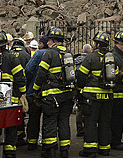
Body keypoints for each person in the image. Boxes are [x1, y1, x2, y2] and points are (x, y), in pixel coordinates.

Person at [77, 31, 122, 157]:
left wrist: (80, 89)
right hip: (107, 97)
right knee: (105, 123)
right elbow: (116, 76)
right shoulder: (112, 58)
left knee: (90, 122)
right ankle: (104, 148)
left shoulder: (90, 58)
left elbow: (81, 76)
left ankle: (90, 150)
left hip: (92, 98)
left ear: (96, 44)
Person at [33, 28, 76, 158]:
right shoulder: (68, 53)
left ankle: (50, 150)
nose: (47, 42)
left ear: (52, 40)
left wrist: (36, 89)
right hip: (67, 95)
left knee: (50, 121)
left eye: (49, 40)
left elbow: (41, 74)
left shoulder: (49, 53)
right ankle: (64, 150)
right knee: (64, 121)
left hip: (51, 97)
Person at [0, 31, 26, 158]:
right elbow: (20, 77)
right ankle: (9, 150)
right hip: (11, 97)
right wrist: (23, 92)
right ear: (7, 44)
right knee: (11, 124)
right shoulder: (11, 58)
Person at [25, 36, 48, 151]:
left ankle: (31, 142)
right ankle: (47, 143)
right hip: (52, 93)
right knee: (49, 119)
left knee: (34, 117)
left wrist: (29, 84)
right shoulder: (57, 54)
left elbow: (28, 69)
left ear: (43, 44)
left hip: (35, 92)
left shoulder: (39, 54)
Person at [10, 35, 31, 145]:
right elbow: (28, 71)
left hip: (7, 89)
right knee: (21, 113)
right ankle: (20, 135)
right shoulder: (26, 55)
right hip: (21, 88)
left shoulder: (9, 54)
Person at [74, 43, 93, 137]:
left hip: (78, 88)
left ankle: (79, 128)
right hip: (88, 88)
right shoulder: (91, 60)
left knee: (79, 109)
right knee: (89, 109)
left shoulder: (76, 60)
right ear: (91, 51)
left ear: (82, 51)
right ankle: (87, 128)